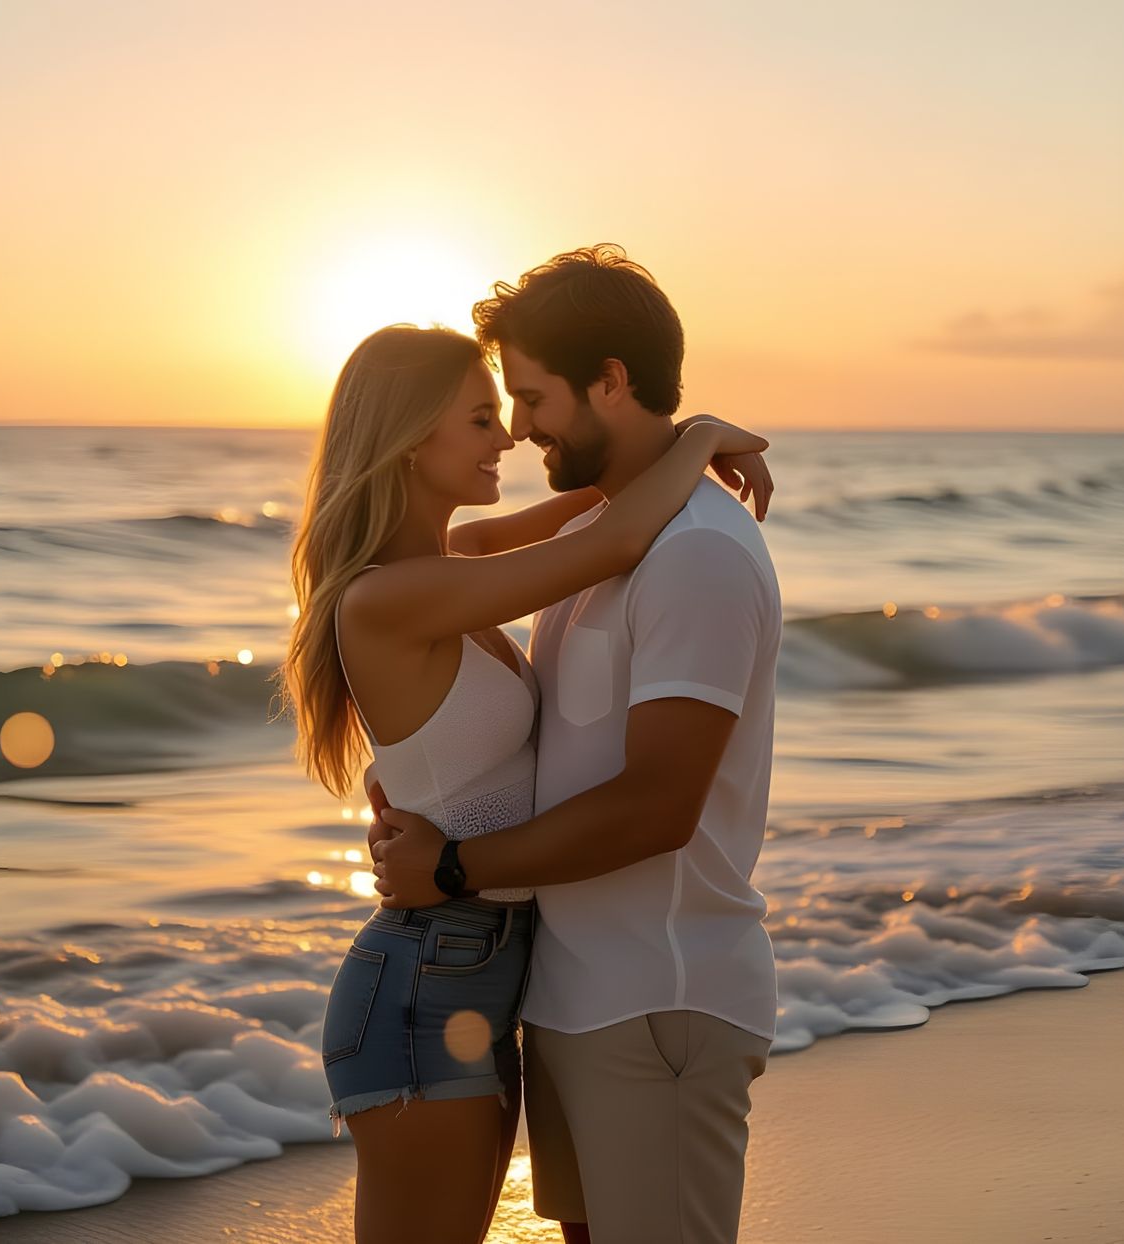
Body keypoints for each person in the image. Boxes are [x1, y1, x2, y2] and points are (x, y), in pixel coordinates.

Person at [281, 314, 771, 1244]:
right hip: (431, 978)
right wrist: (702, 436)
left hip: (491, 970)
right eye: (479, 418)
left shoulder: (453, 563)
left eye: (513, 408)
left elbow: (600, 507)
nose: (506, 434)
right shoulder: (390, 596)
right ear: (409, 436)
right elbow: (615, 538)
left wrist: (671, 444)